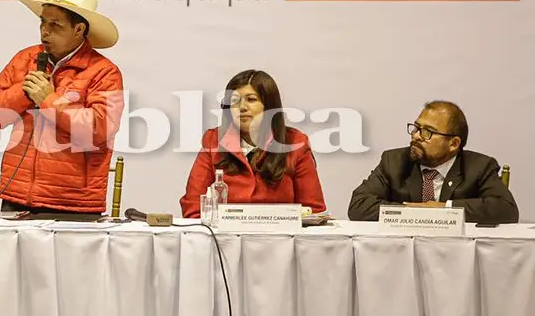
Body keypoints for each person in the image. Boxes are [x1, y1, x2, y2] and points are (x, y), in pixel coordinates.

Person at [0, 0, 125, 214]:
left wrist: (48, 101)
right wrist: (24, 93)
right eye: (42, 22)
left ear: (79, 29)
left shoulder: (104, 71)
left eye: (55, 24)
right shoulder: (24, 59)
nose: (44, 31)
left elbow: (101, 128)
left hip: (73, 202)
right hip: (16, 194)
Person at [179, 70, 326, 217]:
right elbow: (194, 208)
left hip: (278, 238)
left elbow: (313, 211)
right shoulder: (213, 141)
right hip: (224, 239)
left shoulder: (296, 143)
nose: (242, 107)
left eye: (251, 99)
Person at [348, 101, 518, 224]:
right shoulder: (394, 161)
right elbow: (358, 205)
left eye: (427, 132)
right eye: (416, 128)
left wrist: (444, 209)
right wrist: (413, 211)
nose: (415, 135)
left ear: (453, 144)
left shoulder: (479, 166)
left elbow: (506, 209)